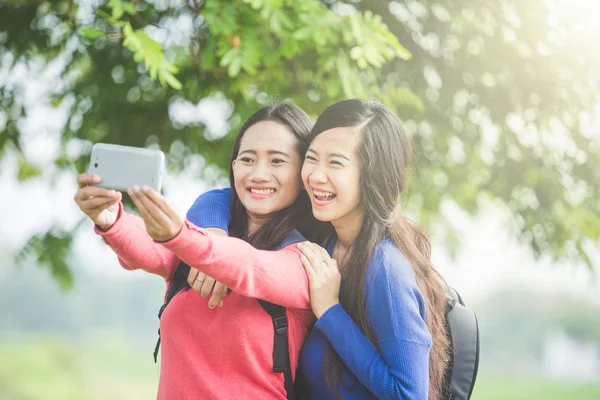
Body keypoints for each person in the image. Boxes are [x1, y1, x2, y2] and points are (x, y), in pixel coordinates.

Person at [192, 99, 450, 400]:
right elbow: (225, 198)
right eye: (312, 159)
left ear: (373, 174)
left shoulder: (386, 270)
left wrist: (330, 311)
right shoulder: (321, 236)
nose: (316, 175)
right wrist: (214, 239)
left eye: (335, 163)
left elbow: (409, 395)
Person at [73, 104, 323, 400]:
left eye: (278, 161)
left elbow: (248, 267)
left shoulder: (305, 261)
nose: (259, 173)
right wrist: (112, 219)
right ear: (233, 167)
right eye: (247, 159)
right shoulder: (199, 239)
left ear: (303, 174)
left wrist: (184, 236)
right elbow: (153, 248)